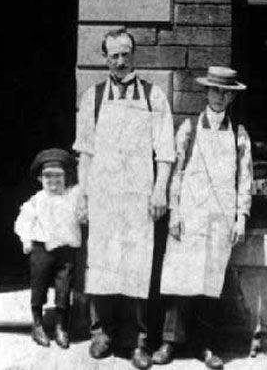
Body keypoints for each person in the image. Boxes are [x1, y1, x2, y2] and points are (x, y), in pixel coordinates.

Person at [73, 27, 175, 369]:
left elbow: (165, 151)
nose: (120, 61)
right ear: (105, 58)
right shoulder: (94, 97)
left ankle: (142, 340)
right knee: (102, 262)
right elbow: (85, 153)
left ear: (135, 56)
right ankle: (101, 332)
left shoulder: (153, 96)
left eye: (125, 54)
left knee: (139, 265)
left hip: (139, 198)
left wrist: (160, 189)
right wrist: (83, 197)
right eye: (113, 55)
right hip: (104, 196)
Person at [151, 66, 253, 370]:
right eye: (215, 91)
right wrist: (175, 213)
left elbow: (244, 180)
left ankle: (205, 345)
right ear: (206, 92)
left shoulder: (239, 135)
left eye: (226, 93)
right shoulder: (189, 129)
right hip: (190, 217)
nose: (220, 97)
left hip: (219, 219)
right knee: (180, 280)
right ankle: (170, 342)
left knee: (210, 284)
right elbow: (176, 174)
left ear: (232, 97)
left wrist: (241, 218)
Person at [13, 148, 86, 349]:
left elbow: (84, 203)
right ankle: (37, 325)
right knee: (39, 285)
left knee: (64, 287)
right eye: (48, 176)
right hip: (41, 249)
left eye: (58, 176)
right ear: (40, 178)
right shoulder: (36, 200)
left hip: (65, 250)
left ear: (66, 177)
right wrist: (26, 239)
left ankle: (61, 326)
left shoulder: (73, 196)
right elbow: (23, 221)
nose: (53, 181)